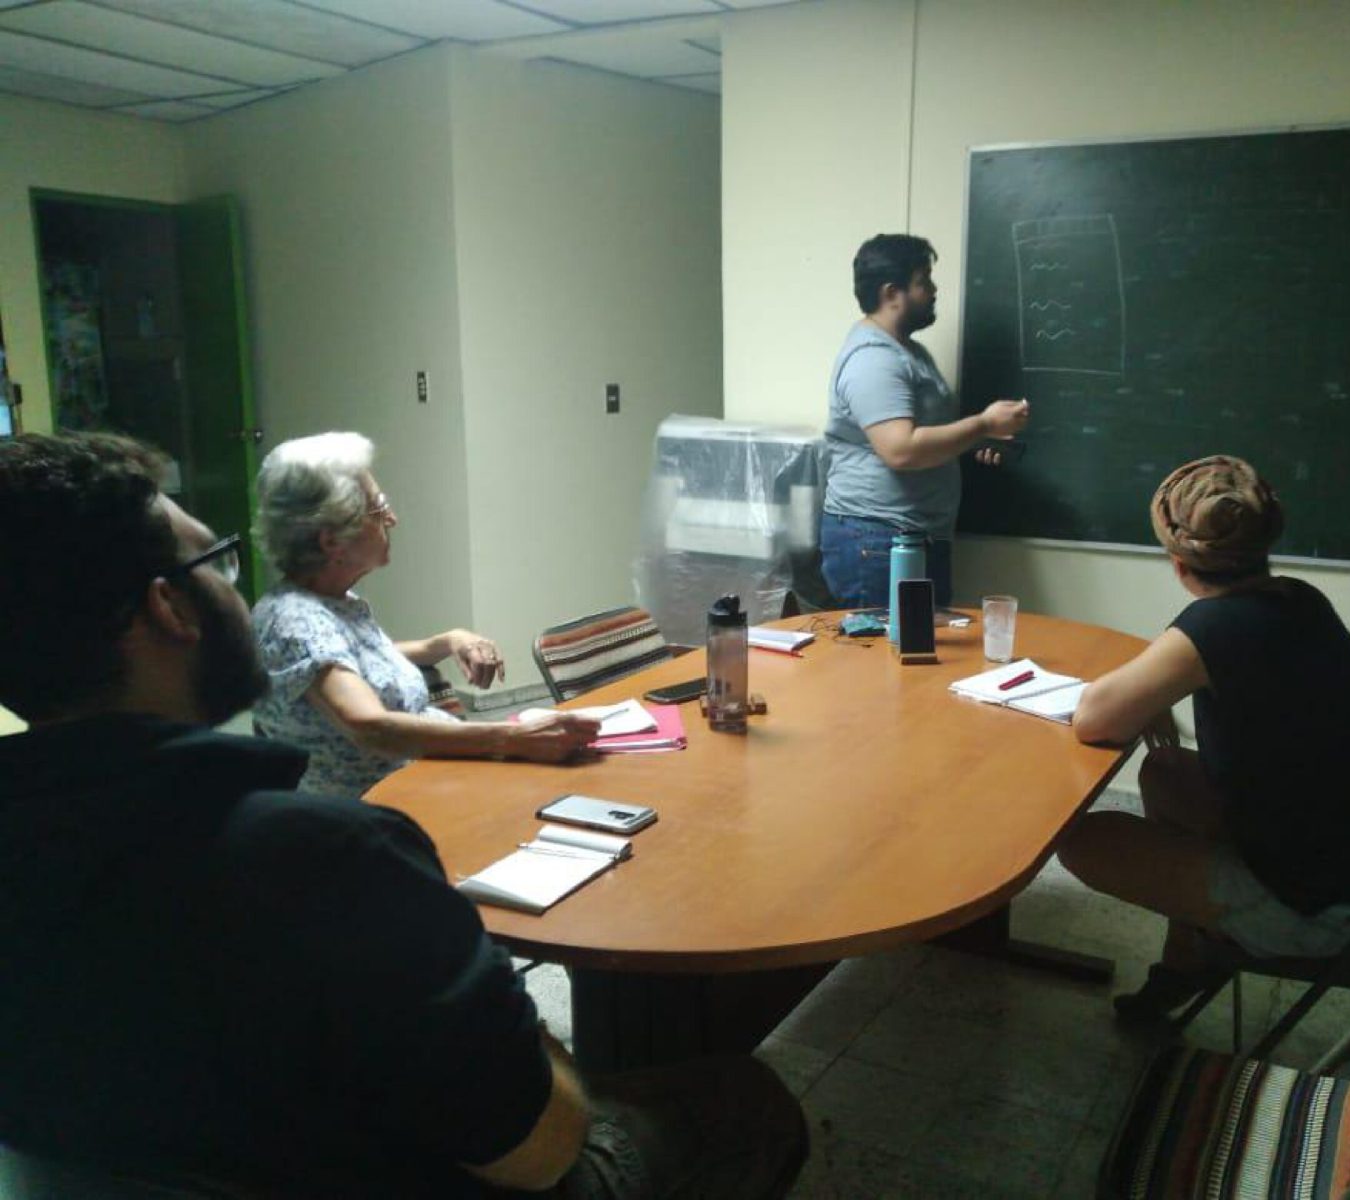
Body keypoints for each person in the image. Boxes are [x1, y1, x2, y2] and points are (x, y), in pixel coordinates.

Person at [0, 432, 808, 1198]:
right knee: (747, 1099)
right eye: (217, 562)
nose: (238, 589)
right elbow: (544, 1148)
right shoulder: (332, 861)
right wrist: (495, 994)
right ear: (168, 609)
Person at [1059, 455, 1350, 1018]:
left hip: (1324, 909)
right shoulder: (1298, 598)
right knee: (1166, 770)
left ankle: (1213, 939)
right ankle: (1186, 961)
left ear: (1179, 563)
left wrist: (1145, 694)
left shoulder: (1215, 626)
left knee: (1083, 842)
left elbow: (1092, 718)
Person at [252, 431, 596, 795]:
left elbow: (355, 660)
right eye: (379, 508)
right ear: (331, 541)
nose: (392, 519)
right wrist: (513, 739)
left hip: (429, 781)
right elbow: (368, 726)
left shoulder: (329, 601)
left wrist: (445, 642)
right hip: (383, 808)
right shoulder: (295, 622)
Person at [821, 233, 1030, 608]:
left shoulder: (909, 352)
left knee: (921, 645)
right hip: (877, 539)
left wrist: (972, 442)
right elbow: (901, 450)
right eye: (924, 281)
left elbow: (921, 437)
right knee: (885, 646)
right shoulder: (874, 359)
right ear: (891, 293)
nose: (934, 291)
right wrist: (983, 424)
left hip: (909, 535)